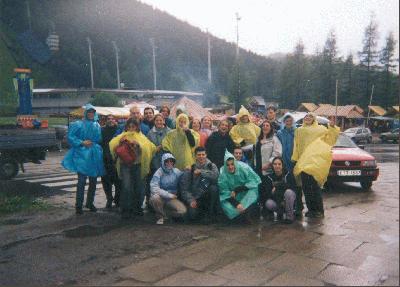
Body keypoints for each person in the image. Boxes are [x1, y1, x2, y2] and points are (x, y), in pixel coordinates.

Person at [292, 113, 339, 218]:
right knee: (306, 187)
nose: (308, 118)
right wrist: (295, 159)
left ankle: (319, 210)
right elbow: (296, 145)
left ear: (314, 119)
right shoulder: (299, 131)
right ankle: (311, 210)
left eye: (310, 116)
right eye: (306, 116)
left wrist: (332, 127)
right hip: (303, 162)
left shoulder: (321, 129)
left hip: (315, 162)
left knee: (315, 187)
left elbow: (330, 140)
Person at [62, 104, 105, 215]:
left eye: (93, 112)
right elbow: (70, 137)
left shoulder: (97, 125)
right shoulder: (77, 124)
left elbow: (99, 138)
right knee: (81, 181)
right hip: (81, 155)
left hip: (94, 154)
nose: (91, 114)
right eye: (89, 112)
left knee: (93, 181)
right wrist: (82, 142)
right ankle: (78, 205)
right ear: (86, 113)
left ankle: (90, 203)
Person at [109, 118, 156, 219]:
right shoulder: (122, 136)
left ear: (137, 127)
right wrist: (119, 143)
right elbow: (112, 146)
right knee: (127, 187)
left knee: (139, 187)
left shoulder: (141, 137)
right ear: (126, 127)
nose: (131, 129)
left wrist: (139, 145)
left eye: (133, 127)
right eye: (129, 127)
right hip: (125, 165)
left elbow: (151, 147)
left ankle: (137, 208)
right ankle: (126, 209)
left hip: (138, 165)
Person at [218, 150, 261, 221]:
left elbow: (254, 181)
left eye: (232, 164)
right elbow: (224, 192)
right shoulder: (223, 174)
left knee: (253, 191)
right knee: (223, 203)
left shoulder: (244, 168)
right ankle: (242, 212)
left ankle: (243, 212)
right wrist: (236, 204)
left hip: (244, 193)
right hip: (232, 196)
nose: (230, 167)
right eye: (228, 165)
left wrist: (238, 189)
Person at [180, 147, 219, 222]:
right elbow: (184, 189)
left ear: (206, 155)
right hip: (196, 198)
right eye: (199, 155)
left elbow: (216, 176)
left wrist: (201, 171)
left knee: (214, 188)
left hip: (208, 197)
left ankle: (210, 214)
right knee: (192, 216)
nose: (201, 156)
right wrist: (191, 200)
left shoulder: (212, 166)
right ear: (195, 156)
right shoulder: (190, 169)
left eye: (203, 154)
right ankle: (200, 215)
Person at [277, 113, 304, 217]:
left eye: (290, 121)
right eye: (286, 121)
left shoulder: (297, 132)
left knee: (297, 186)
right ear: (284, 122)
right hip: (284, 163)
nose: (288, 123)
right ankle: (288, 207)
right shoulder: (280, 133)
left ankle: (299, 207)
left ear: (293, 122)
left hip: (295, 162)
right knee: (286, 185)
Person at [150, 153, 187, 224]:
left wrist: (187, 170)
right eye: (167, 161)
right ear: (163, 162)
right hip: (161, 197)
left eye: (171, 161)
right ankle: (160, 216)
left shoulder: (176, 171)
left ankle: (166, 214)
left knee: (183, 211)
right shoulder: (158, 173)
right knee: (155, 198)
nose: (169, 163)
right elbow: (154, 188)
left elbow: (183, 177)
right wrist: (168, 195)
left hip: (171, 199)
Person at [261, 157, 297, 224]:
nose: (277, 166)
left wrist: (277, 186)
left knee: (288, 192)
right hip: (277, 201)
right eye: (275, 164)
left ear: (282, 165)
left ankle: (289, 217)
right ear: (272, 166)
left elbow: (292, 187)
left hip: (288, 201)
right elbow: (268, 193)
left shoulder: (288, 175)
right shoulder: (269, 177)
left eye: (279, 164)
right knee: (268, 203)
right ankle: (279, 212)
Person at [146, 114, 171, 207]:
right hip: (155, 161)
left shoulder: (169, 132)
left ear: (164, 121)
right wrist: (154, 149)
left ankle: (166, 204)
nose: (159, 122)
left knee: (166, 183)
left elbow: (171, 145)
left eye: (161, 120)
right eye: (157, 120)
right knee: (155, 183)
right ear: (154, 122)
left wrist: (162, 146)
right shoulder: (150, 133)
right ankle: (154, 205)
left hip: (167, 160)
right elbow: (148, 146)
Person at [101, 114, 121, 209]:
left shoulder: (119, 129)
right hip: (105, 159)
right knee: (106, 181)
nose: (110, 120)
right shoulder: (102, 130)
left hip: (117, 159)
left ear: (115, 120)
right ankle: (109, 199)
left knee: (118, 181)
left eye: (112, 118)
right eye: (108, 119)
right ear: (106, 120)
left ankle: (117, 200)